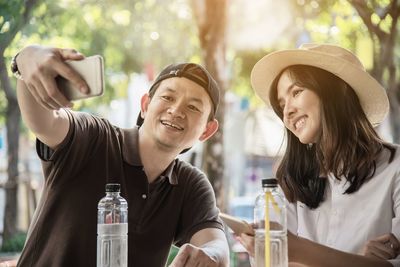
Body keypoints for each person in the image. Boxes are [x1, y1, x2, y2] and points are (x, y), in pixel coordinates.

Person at [11, 45, 229, 267]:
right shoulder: (94, 138)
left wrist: (211, 254)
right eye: (167, 97)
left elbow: (216, 244)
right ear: (145, 105)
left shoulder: (190, 184)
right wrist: (28, 59)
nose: (176, 110)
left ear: (207, 131)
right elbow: (44, 122)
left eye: (193, 107)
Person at [239, 43, 400, 267]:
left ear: (337, 91)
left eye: (296, 92)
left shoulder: (395, 167)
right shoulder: (292, 181)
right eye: (281, 104)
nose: (287, 112)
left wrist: (297, 250)